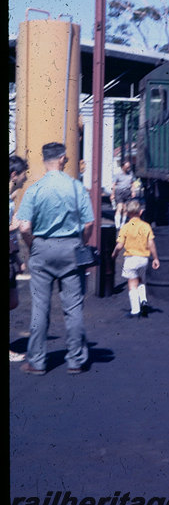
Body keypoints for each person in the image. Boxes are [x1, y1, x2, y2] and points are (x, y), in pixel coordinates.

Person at [16, 142, 94, 375]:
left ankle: (37, 362)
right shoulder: (76, 187)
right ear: (62, 159)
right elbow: (89, 223)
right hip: (71, 248)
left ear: (44, 160)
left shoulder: (34, 189)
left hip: (42, 247)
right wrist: (81, 244)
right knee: (73, 306)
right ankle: (76, 360)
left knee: (40, 307)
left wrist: (33, 246)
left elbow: (24, 227)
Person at [111, 200, 160, 317]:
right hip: (143, 259)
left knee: (132, 284)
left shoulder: (125, 227)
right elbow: (151, 244)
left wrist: (114, 254)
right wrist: (155, 258)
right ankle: (143, 300)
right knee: (141, 280)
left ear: (127, 213)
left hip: (131, 259)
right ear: (141, 212)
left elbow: (119, 245)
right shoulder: (146, 226)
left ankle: (135, 310)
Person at [9, 155, 28, 362]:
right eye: (24, 174)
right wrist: (12, 227)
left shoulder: (11, 198)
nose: (25, 178)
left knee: (13, 301)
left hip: (10, 254)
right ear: (14, 175)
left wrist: (18, 258)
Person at [111, 159, 135, 229]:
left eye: (129, 166)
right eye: (127, 166)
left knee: (125, 209)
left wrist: (133, 191)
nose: (128, 168)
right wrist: (112, 194)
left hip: (127, 192)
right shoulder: (118, 175)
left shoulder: (130, 174)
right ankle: (117, 224)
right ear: (122, 167)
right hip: (119, 192)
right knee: (119, 207)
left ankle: (123, 223)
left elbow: (132, 183)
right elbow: (114, 185)